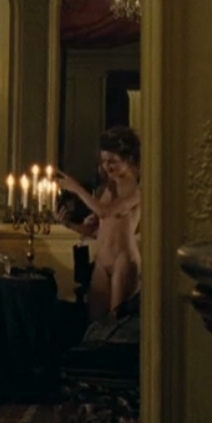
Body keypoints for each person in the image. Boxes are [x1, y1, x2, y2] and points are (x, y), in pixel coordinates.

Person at [55, 126, 142, 325]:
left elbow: (106, 212)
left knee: (116, 324)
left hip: (123, 260)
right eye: (103, 161)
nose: (106, 167)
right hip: (102, 261)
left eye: (112, 161)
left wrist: (77, 188)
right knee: (95, 324)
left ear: (128, 158)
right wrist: (69, 224)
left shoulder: (138, 188)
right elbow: (97, 231)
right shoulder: (107, 187)